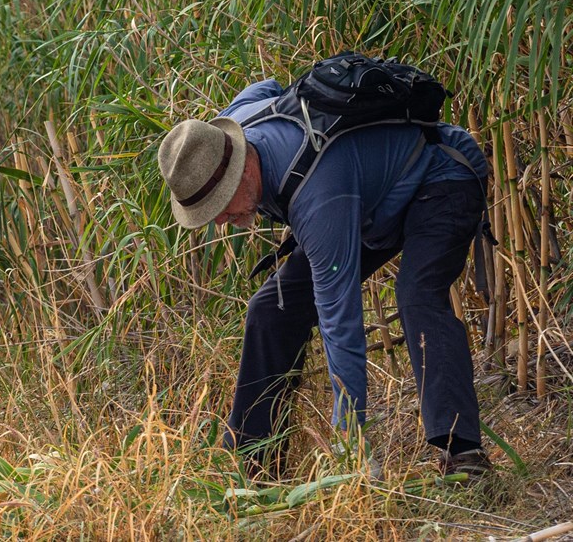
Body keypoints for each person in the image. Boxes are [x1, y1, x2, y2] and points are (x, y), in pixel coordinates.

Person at [158, 73, 492, 480]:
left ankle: (463, 456)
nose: (225, 221)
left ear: (243, 169)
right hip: (369, 204)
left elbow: (341, 322)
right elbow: (267, 85)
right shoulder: (222, 135)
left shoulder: (318, 196)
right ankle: (252, 467)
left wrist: (350, 441)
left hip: (442, 174)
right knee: (270, 309)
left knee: (417, 295)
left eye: (221, 205)